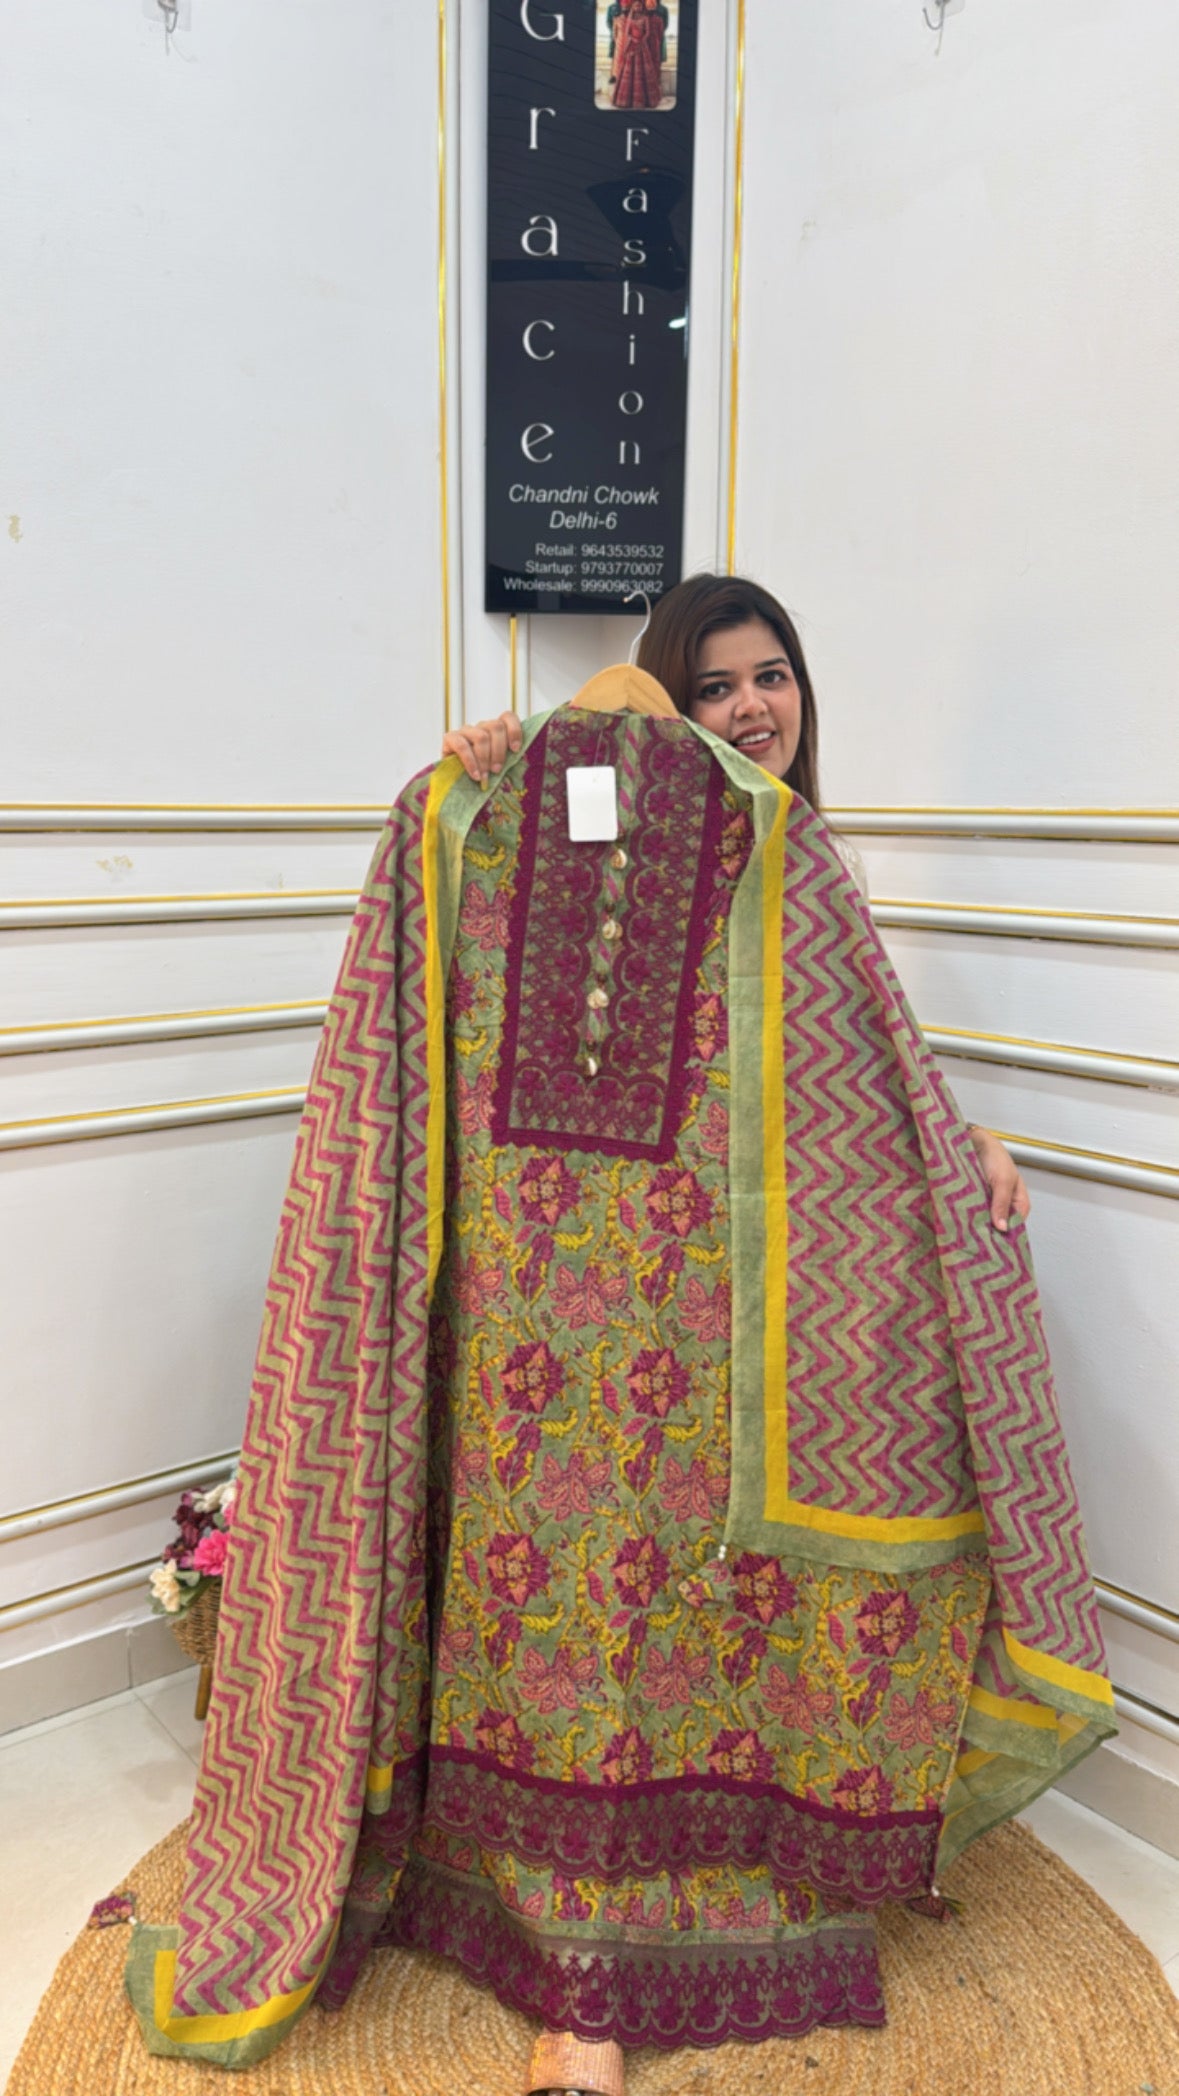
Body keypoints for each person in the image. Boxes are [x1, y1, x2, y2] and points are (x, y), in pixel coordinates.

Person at [443, 572, 1030, 1234]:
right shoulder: (600, 863)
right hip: (615, 1237)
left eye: (771, 678)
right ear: (672, 713)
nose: (751, 705)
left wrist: (956, 1144)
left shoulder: (827, 871)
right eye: (716, 689)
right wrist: (485, 785)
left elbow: (851, 1061)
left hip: (757, 1231)